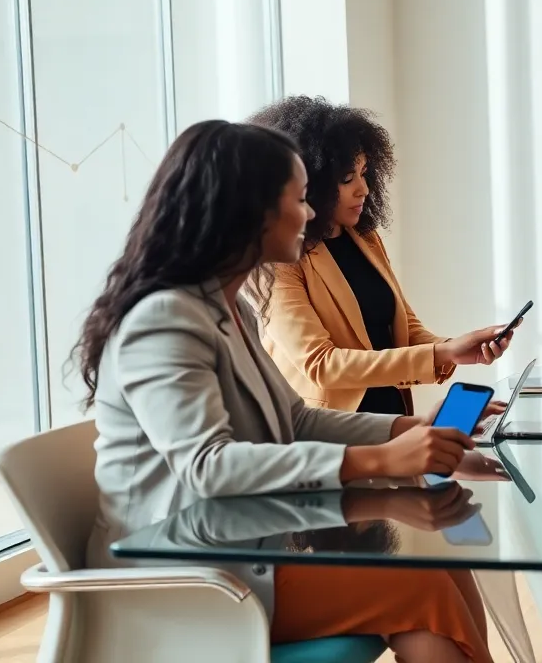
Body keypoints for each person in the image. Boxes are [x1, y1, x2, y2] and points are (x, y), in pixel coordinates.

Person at [76, 120, 496, 662]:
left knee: (444, 565)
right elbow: (207, 466)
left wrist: (411, 429)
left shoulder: (233, 308)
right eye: (299, 200)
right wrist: (381, 458)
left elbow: (296, 421)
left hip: (250, 543)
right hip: (184, 577)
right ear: (251, 212)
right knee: (422, 588)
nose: (310, 214)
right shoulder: (164, 321)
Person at [248, 96, 514, 415]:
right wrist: (442, 354)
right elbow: (321, 364)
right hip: (330, 430)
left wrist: (455, 348)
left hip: (391, 419)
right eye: (347, 179)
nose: (364, 189)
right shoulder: (278, 259)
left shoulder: (365, 237)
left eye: (364, 173)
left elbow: (405, 328)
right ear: (309, 184)